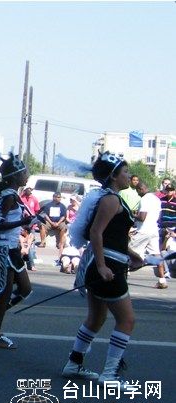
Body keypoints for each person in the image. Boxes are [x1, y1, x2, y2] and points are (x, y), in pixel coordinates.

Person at [60, 152, 144, 386]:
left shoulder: (111, 198)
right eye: (125, 171)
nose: (129, 175)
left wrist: (132, 255)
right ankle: (110, 374)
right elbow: (95, 233)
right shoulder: (111, 200)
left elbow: (112, 236)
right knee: (127, 320)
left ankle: (74, 363)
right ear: (114, 176)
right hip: (107, 266)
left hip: (108, 263)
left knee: (97, 318)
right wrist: (101, 266)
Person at [0, 148, 34, 349]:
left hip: (12, 249)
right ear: (15, 176)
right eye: (24, 172)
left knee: (25, 289)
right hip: (4, 250)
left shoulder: (13, 195)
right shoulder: (9, 196)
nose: (27, 175)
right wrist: (23, 221)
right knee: (5, 292)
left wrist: (26, 222)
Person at [130, 183, 168, 289]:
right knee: (157, 255)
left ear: (140, 189)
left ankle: (139, 263)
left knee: (128, 251)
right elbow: (159, 216)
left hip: (143, 230)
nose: (138, 193)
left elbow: (142, 217)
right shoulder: (156, 199)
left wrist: (132, 214)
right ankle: (162, 280)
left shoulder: (144, 199)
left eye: (138, 191)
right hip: (154, 230)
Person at [39, 192, 68, 257]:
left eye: (60, 197)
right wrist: (51, 222)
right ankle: (42, 242)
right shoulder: (48, 205)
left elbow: (64, 216)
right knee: (41, 225)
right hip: (49, 222)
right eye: (58, 197)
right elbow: (45, 215)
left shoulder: (62, 206)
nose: (59, 198)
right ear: (54, 197)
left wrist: (58, 223)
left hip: (59, 222)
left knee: (64, 227)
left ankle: (60, 243)